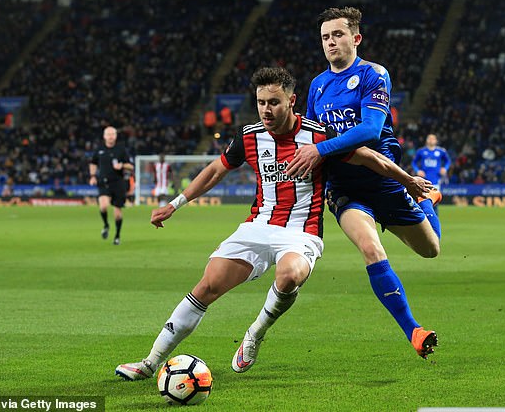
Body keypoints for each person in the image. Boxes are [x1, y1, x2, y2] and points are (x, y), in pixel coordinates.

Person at [115, 67, 432, 381]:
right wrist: (175, 204)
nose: (267, 109)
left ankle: (255, 332)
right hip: (258, 226)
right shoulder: (249, 136)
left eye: (274, 102)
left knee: (290, 274)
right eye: (261, 102)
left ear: (292, 101)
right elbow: (216, 170)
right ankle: (149, 362)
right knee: (207, 286)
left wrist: (407, 180)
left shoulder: (318, 137)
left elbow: (369, 158)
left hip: (301, 232)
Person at [286, 7, 442, 359]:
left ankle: (428, 200)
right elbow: (310, 137)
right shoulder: (318, 85)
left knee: (431, 250)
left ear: (355, 38)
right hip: (344, 187)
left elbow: (371, 130)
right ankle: (413, 331)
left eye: (338, 35)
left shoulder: (374, 74)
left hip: (384, 179)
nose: (331, 42)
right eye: (325, 37)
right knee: (371, 250)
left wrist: (321, 148)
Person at [89, 126, 133, 245]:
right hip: (103, 182)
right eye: (108, 134)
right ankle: (106, 225)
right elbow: (93, 163)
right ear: (104, 136)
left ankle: (117, 236)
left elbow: (131, 166)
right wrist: (92, 176)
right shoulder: (99, 150)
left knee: (117, 212)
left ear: (116, 136)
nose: (110, 137)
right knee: (103, 206)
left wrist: (122, 165)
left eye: (112, 134)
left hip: (118, 183)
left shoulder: (121, 149)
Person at [412, 134, 451, 212]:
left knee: (434, 204)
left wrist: (445, 168)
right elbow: (414, 162)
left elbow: (448, 161)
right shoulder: (421, 151)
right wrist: (418, 170)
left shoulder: (440, 151)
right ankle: (425, 221)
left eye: (433, 139)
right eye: (429, 138)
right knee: (423, 202)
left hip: (436, 180)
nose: (431, 140)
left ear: (436, 141)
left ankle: (434, 222)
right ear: (426, 140)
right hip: (424, 181)